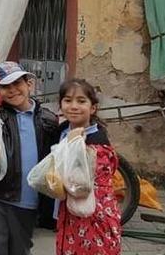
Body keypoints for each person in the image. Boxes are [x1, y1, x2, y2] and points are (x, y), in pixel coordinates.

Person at [0, 62, 59, 255]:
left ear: (29, 84)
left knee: (20, 251)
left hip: (29, 201)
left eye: (17, 83)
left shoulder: (48, 120)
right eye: (5, 86)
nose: (12, 90)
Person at [55, 79, 121, 255]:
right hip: (68, 212)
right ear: (60, 105)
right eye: (68, 100)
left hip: (94, 211)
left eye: (81, 101)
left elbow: (83, 183)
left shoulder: (98, 143)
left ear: (93, 108)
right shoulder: (61, 133)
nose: (74, 106)